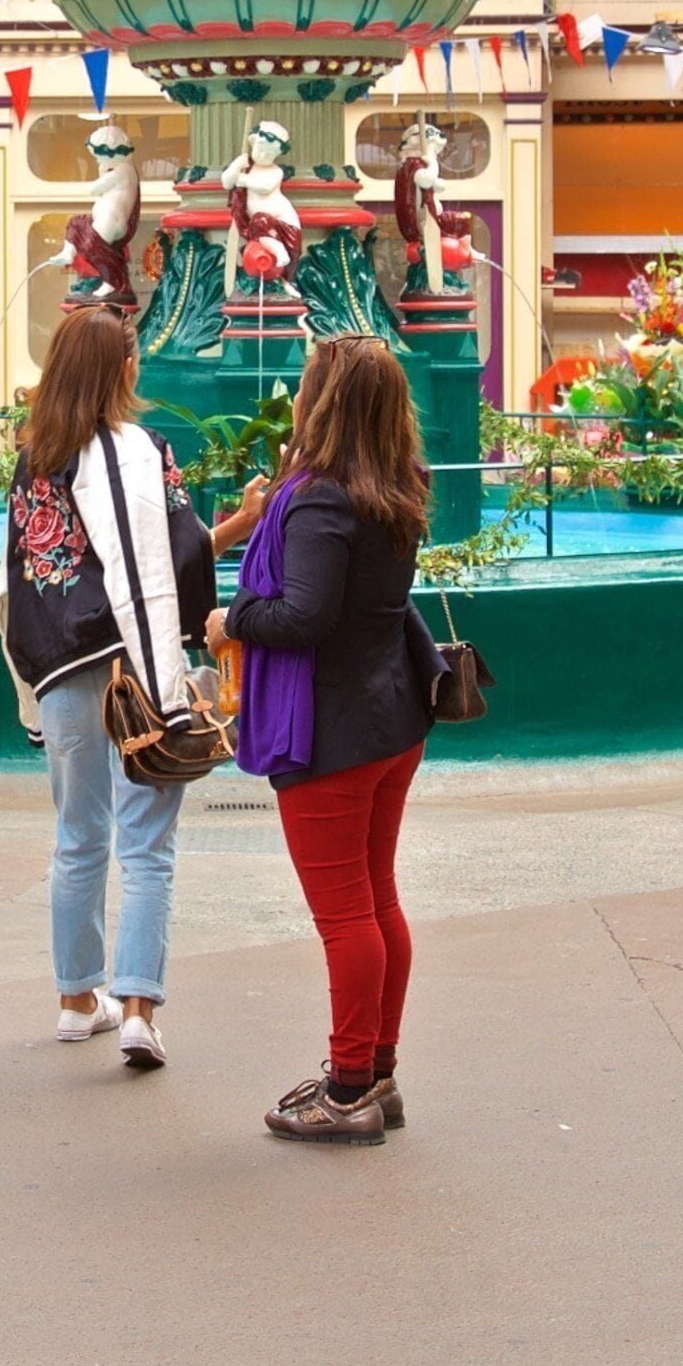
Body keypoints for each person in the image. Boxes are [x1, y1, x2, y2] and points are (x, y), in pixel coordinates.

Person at [208, 334, 442, 1147]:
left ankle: (346, 1090)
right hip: (393, 722)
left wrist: (227, 617)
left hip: (331, 735)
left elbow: (302, 617)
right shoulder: (402, 484)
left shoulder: (320, 499)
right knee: (377, 900)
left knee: (346, 916)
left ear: (323, 404)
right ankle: (376, 1073)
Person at [0, 307, 248, 1070]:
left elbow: (27, 576)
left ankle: (78, 1000)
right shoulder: (143, 452)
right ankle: (138, 1009)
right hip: (135, 670)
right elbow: (171, 564)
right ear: (120, 371)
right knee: (148, 846)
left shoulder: (34, 458)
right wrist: (247, 520)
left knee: (78, 838)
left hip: (66, 673)